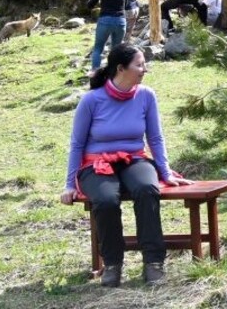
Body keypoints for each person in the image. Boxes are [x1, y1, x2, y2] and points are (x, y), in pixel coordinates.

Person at [59, 43, 193, 287]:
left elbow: (155, 138)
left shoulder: (146, 95)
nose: (145, 69)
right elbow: (76, 144)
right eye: (139, 65)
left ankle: (153, 262)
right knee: (107, 200)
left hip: (134, 159)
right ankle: (112, 264)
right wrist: (69, 184)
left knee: (146, 189)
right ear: (121, 68)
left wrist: (164, 172)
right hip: (96, 164)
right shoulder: (91, 100)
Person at [86, 0, 128, 73]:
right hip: (120, 21)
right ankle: (113, 72)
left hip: (105, 20)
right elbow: (126, 4)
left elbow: (90, 5)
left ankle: (95, 73)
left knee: (98, 49)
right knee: (116, 50)